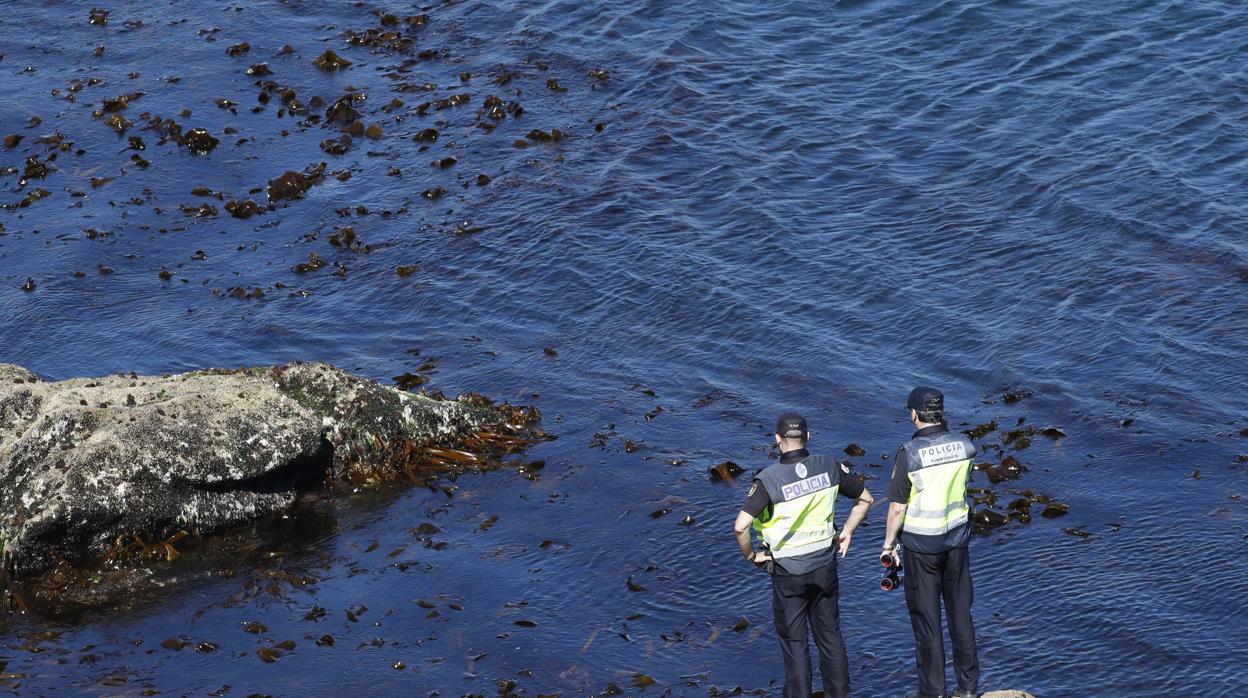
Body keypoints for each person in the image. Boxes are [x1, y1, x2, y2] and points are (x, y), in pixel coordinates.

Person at [733, 412, 874, 698]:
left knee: (795, 642)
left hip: (788, 573)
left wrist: (751, 557)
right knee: (830, 636)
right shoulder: (830, 466)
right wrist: (847, 531)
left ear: (777, 440)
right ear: (807, 437)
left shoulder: (768, 480)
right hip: (824, 565)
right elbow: (865, 499)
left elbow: (740, 527)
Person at [882, 387, 980, 698]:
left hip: (921, 546)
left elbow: (898, 507)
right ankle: (967, 689)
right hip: (957, 541)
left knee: (927, 622)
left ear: (913, 414)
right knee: (960, 614)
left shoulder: (909, 453)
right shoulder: (965, 445)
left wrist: (888, 545)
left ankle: (933, 691)